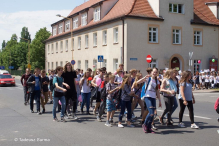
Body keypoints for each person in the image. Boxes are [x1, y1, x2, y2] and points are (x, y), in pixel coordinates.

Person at [137, 68, 162, 133]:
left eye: (156, 72)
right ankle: (145, 124)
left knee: (153, 114)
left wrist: (159, 100)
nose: (155, 73)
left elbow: (157, 91)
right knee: (151, 113)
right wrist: (144, 78)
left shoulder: (157, 81)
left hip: (153, 97)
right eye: (154, 72)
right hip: (147, 97)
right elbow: (137, 82)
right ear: (151, 72)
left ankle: (149, 127)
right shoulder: (148, 79)